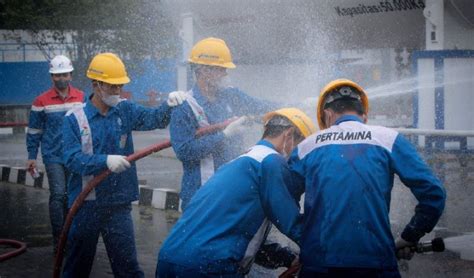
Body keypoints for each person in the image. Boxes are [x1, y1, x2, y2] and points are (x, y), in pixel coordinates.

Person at [288, 79, 446, 277]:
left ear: (327, 115)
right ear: (363, 114)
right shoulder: (389, 139)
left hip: (320, 264)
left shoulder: (306, 147)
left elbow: (284, 201)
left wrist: (306, 238)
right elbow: (433, 193)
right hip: (377, 262)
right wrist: (410, 236)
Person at [61, 52, 186, 277]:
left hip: (118, 204)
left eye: (120, 86)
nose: (117, 91)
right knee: (77, 267)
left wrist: (169, 105)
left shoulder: (125, 110)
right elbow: (71, 159)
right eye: (112, 87)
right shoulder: (75, 119)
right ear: (96, 84)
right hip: (86, 205)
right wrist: (104, 161)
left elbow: (154, 119)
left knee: (128, 268)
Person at [157, 108, 316, 277]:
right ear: (289, 135)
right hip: (209, 265)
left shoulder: (240, 161)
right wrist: (325, 244)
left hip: (172, 258)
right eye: (301, 149)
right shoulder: (271, 161)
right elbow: (289, 220)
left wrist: (287, 258)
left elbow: (238, 236)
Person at [170, 37, 274, 210]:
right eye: (221, 69)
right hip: (201, 195)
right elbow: (185, 151)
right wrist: (224, 135)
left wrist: (300, 104)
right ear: (203, 70)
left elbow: (260, 106)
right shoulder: (185, 106)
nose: (225, 74)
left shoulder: (230, 95)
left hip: (230, 189)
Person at [26, 54, 84, 252]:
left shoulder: (81, 98)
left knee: (73, 196)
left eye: (65, 74)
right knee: (58, 195)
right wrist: (32, 157)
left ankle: (72, 236)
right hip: (53, 156)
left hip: (75, 155)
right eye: (57, 75)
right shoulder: (41, 101)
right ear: (52, 77)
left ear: (70, 75)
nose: (61, 79)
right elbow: (34, 132)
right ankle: (59, 241)